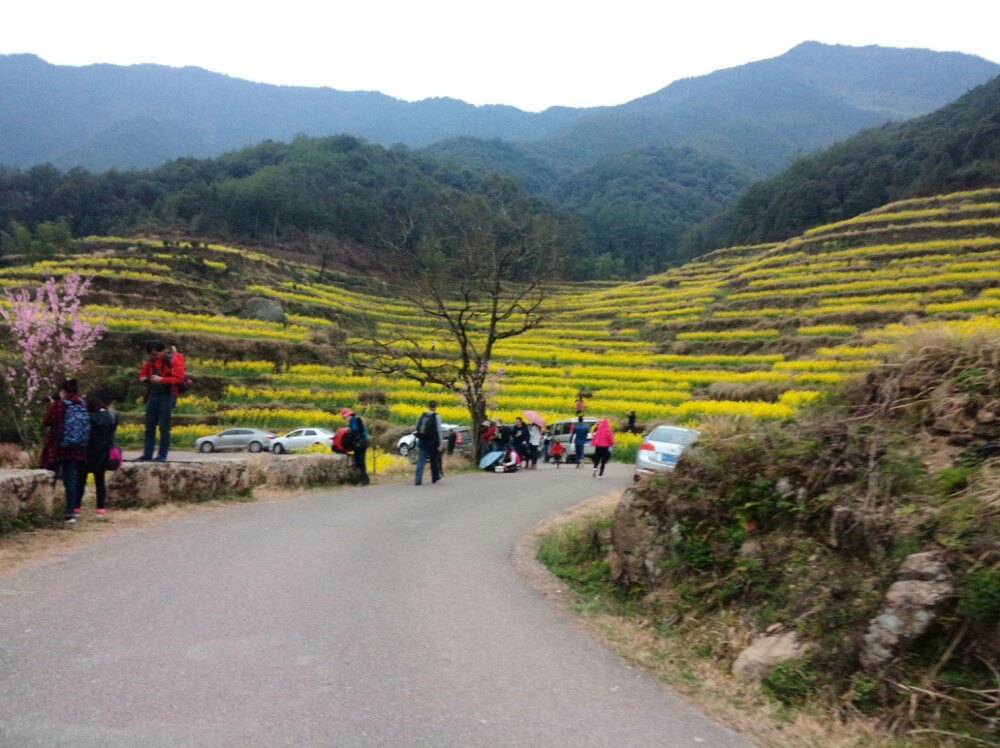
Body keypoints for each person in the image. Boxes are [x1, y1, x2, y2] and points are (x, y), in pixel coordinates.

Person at [41, 379, 88, 523]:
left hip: (57, 446)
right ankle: (71, 513)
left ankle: (46, 510)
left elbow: (47, 421)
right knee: (70, 480)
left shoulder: (59, 405)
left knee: (51, 477)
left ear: (63, 391)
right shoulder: (82, 404)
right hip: (75, 447)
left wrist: (51, 406)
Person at [137, 341, 186, 462]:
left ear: (162, 351)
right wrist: (145, 379)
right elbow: (141, 375)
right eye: (150, 354)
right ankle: (147, 455)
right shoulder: (150, 362)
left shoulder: (172, 360)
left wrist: (162, 379)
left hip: (167, 395)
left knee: (164, 427)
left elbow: (179, 378)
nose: (153, 356)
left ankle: (162, 455)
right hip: (152, 394)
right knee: (149, 426)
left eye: (155, 354)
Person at [75, 395, 118, 518]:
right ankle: (100, 509)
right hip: (102, 455)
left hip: (86, 454)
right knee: (100, 483)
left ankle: (76, 508)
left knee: (80, 482)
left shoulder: (87, 418)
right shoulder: (110, 417)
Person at [414, 400, 443, 485]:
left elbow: (416, 427)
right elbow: (439, 430)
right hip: (432, 442)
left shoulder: (422, 415)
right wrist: (440, 443)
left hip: (422, 440)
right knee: (433, 459)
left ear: (428, 406)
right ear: (435, 407)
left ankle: (418, 480)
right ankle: (434, 478)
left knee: (421, 459)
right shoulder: (437, 416)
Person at [341, 407, 369, 485]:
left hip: (362, 442)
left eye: (345, 416)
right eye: (344, 417)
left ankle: (363, 480)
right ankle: (366, 479)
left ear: (350, 415)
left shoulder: (357, 420)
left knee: (361, 461)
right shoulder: (350, 423)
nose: (345, 418)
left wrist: (350, 430)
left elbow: (359, 430)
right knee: (358, 462)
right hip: (356, 444)